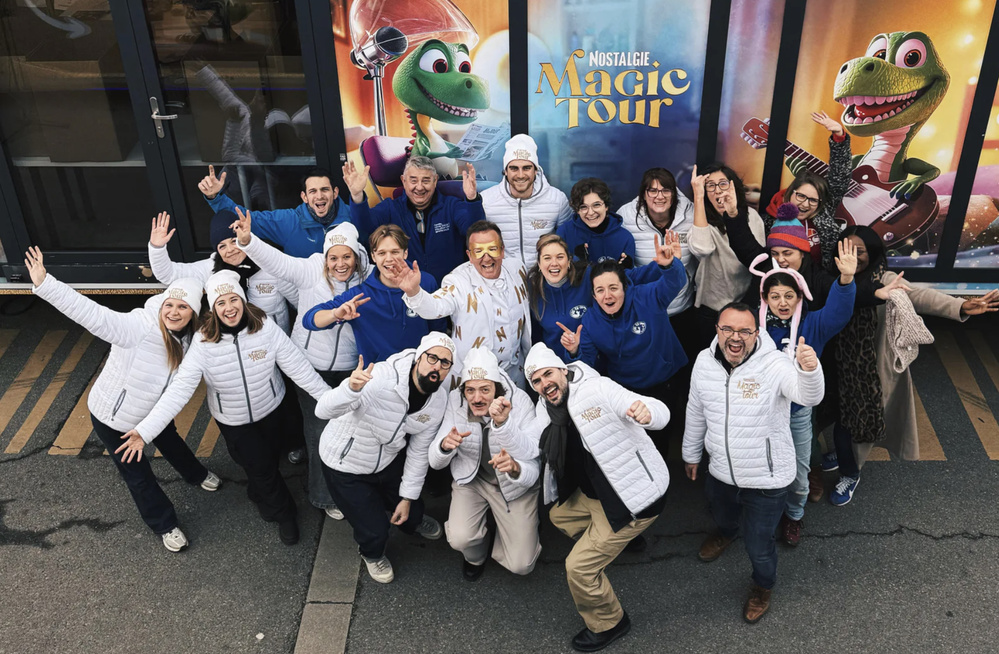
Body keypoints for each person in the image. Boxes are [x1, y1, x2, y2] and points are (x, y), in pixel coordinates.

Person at [118, 270, 331, 547]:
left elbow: (299, 369)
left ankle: (259, 493)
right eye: (221, 303)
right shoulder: (203, 342)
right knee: (261, 468)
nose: (229, 308)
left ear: (243, 301)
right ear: (213, 309)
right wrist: (145, 431)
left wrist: (331, 400)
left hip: (271, 409)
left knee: (264, 463)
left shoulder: (265, 327)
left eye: (234, 300)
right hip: (233, 421)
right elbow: (179, 391)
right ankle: (285, 513)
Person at [25, 248, 219, 553]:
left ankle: (196, 474)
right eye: (169, 304)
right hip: (115, 419)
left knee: (171, 441)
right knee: (138, 475)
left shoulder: (191, 338)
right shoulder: (138, 327)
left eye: (183, 307)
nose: (173, 312)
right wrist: (46, 284)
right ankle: (165, 524)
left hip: (154, 410)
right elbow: (92, 314)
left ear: (194, 313)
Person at [828, 226, 999, 506]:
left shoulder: (885, 279)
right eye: (847, 249)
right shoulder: (831, 277)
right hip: (834, 364)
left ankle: (850, 472)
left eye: (860, 252)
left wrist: (961, 307)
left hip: (870, 370)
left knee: (856, 424)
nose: (853, 257)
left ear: (872, 254)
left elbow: (918, 296)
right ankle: (842, 451)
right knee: (838, 416)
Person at [683, 302, 825, 623]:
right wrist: (691, 453)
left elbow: (808, 396)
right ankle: (726, 532)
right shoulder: (705, 362)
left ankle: (763, 586)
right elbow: (695, 409)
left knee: (760, 545)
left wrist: (810, 369)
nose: (736, 337)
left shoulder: (774, 364)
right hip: (721, 471)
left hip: (767, 480)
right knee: (723, 515)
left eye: (744, 331)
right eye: (728, 329)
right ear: (717, 330)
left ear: (756, 333)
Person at [523, 342, 670, 652]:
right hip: (598, 495)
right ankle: (624, 541)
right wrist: (501, 426)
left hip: (633, 499)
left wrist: (646, 414)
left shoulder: (597, 388)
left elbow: (658, 410)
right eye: (536, 380)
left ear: (562, 370)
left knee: (578, 568)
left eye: (548, 374)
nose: (544, 384)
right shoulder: (546, 408)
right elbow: (527, 444)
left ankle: (610, 623)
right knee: (558, 516)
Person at [232, 210, 373, 521]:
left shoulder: (369, 277)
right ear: (324, 258)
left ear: (356, 255)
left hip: (351, 367)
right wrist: (248, 241)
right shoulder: (310, 270)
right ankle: (322, 496)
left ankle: (352, 481)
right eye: (333, 258)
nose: (340, 264)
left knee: (350, 428)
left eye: (346, 256)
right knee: (318, 430)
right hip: (311, 364)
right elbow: (276, 262)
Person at [316, 333, 456, 583]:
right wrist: (350, 389)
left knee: (411, 509)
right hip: (346, 464)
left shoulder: (438, 401)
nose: (437, 366)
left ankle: (412, 521)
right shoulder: (381, 377)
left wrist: (407, 497)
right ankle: (372, 554)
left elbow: (419, 452)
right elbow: (323, 410)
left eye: (445, 363)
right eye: (432, 357)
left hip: (386, 459)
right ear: (417, 358)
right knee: (374, 529)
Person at [750, 240, 857, 546]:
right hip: (760, 414)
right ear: (765, 298)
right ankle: (761, 514)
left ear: (800, 297)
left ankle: (794, 516)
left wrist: (846, 280)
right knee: (760, 469)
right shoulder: (752, 328)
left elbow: (837, 313)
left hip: (797, 414)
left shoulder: (813, 323)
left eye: (789, 296)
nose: (782, 302)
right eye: (775, 296)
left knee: (799, 476)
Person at [563, 232, 687, 453]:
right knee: (634, 445)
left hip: (663, 380)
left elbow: (675, 282)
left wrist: (669, 265)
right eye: (600, 290)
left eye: (613, 288)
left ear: (625, 288)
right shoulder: (590, 320)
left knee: (661, 441)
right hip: (625, 389)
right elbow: (588, 366)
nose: (607, 296)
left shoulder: (646, 296)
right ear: (593, 295)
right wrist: (574, 352)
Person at [429, 348, 541, 580]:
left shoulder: (520, 404)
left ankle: (510, 531)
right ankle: (476, 556)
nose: (476, 398)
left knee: (522, 565)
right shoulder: (455, 401)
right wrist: (443, 446)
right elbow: (435, 461)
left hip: (513, 486)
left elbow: (534, 468)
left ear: (497, 388)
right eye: (470, 390)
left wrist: (515, 468)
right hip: (473, 480)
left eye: (484, 390)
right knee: (460, 537)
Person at [399, 221, 532, 387]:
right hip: (473, 377)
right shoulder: (457, 281)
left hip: (514, 374)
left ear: (502, 250)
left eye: (492, 249)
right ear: (469, 255)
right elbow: (435, 307)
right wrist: (414, 292)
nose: (486, 257)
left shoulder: (517, 269)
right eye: (478, 251)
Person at [301, 224, 439, 364]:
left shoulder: (426, 283)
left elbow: (438, 330)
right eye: (381, 253)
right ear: (373, 256)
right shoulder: (360, 295)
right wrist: (336, 314)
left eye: (395, 252)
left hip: (419, 375)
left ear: (405, 253)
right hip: (378, 379)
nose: (389, 259)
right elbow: (309, 319)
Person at [343, 156, 485, 284]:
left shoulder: (451, 206)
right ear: (403, 181)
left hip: (450, 291)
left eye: (426, 180)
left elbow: (475, 232)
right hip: (406, 292)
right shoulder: (390, 208)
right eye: (413, 180)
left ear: (435, 181)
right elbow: (364, 229)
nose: (419, 187)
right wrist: (357, 195)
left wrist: (472, 199)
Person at [149, 210, 295, 333]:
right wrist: (157, 248)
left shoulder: (270, 263)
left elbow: (299, 302)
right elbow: (168, 275)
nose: (230, 250)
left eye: (234, 241)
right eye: (222, 246)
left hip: (275, 340)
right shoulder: (212, 268)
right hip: (234, 343)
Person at [726, 203, 892, 311]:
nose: (780, 259)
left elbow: (841, 290)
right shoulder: (764, 265)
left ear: (802, 253)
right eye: (775, 253)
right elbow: (743, 243)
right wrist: (733, 214)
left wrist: (875, 292)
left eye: (787, 253)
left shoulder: (817, 277)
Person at [527, 234, 659, 363]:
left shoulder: (587, 276)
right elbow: (535, 336)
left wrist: (665, 265)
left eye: (560, 257)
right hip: (555, 367)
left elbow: (626, 278)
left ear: (568, 261)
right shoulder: (533, 289)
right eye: (547, 258)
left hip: (596, 362)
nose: (554, 263)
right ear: (539, 263)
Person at [198, 165, 351, 258]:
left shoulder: (353, 216)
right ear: (304, 196)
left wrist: (357, 197)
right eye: (312, 191)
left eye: (325, 190)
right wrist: (216, 197)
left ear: (335, 193)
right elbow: (247, 219)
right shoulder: (289, 221)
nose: (319, 196)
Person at [688, 163, 766, 342]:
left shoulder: (751, 217)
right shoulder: (700, 219)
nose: (718, 191)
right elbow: (702, 248)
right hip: (710, 307)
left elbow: (757, 262)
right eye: (710, 186)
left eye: (723, 184)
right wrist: (698, 197)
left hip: (743, 304)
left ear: (733, 186)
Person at [764, 111, 851, 269]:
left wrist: (839, 137)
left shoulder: (824, 212)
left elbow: (839, 176)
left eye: (812, 200)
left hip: (819, 281)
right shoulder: (771, 218)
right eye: (801, 196)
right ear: (791, 193)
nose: (805, 204)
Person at [481, 134, 573, 268]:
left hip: (544, 279)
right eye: (513, 168)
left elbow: (568, 242)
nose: (520, 175)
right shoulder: (486, 200)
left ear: (536, 170)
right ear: (505, 171)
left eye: (526, 168)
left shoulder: (557, 199)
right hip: (504, 280)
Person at [618, 167, 698, 319]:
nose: (659, 196)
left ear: (674, 194)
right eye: (653, 191)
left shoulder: (691, 214)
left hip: (682, 307)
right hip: (643, 307)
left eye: (666, 190)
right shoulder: (626, 216)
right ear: (643, 194)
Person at [556, 178, 636, 266]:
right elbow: (558, 274)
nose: (590, 212)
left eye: (596, 205)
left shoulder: (624, 238)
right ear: (577, 210)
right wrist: (577, 261)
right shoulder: (564, 233)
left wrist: (623, 272)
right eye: (583, 207)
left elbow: (629, 277)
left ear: (606, 206)